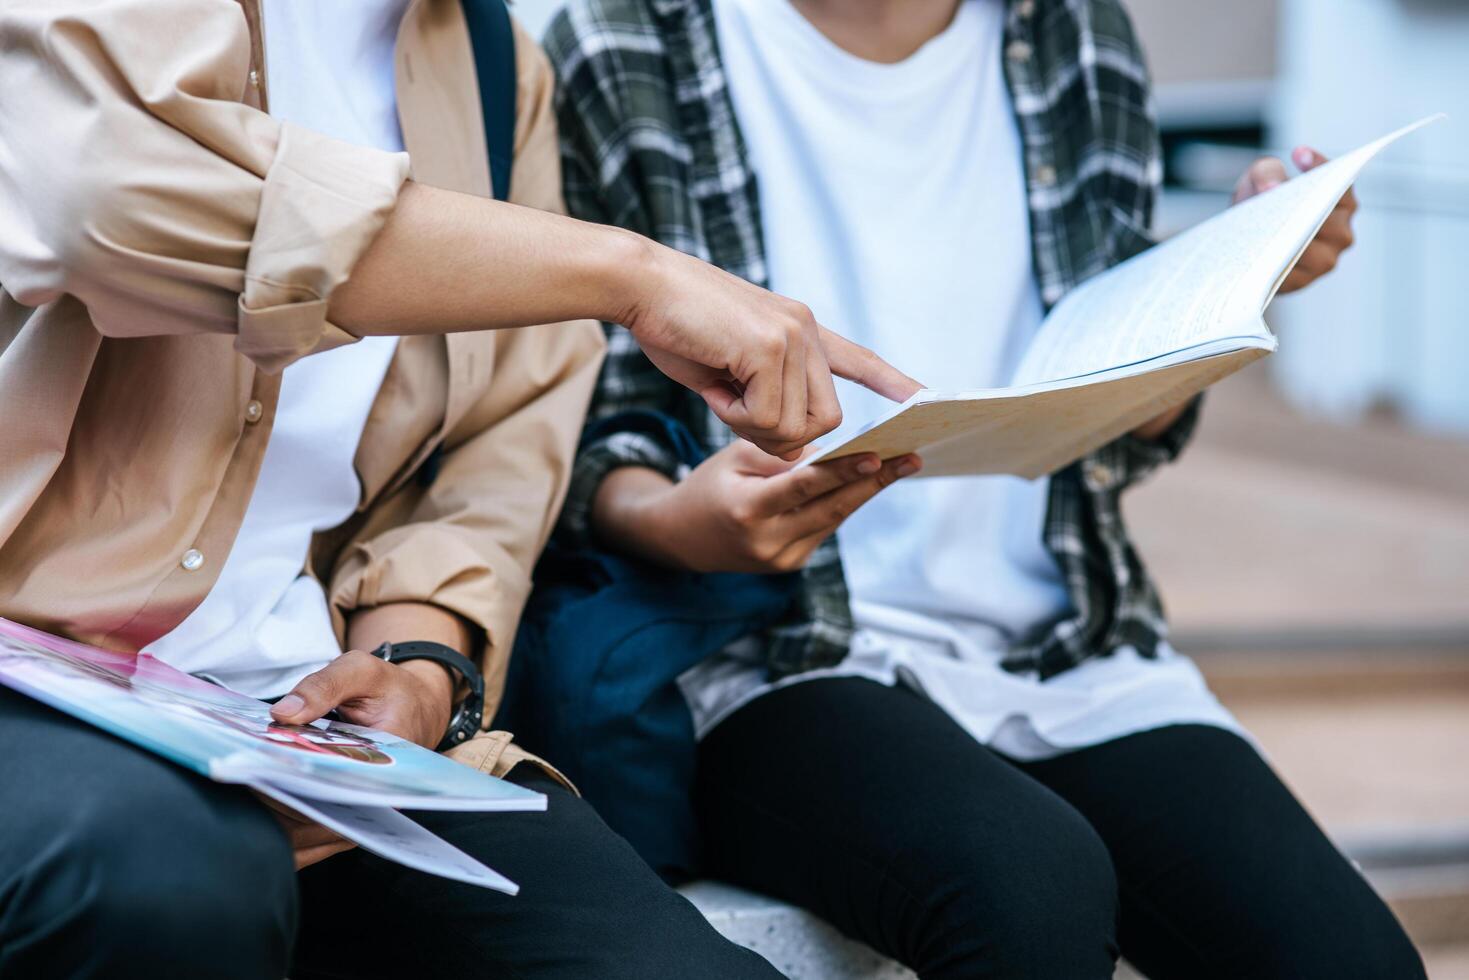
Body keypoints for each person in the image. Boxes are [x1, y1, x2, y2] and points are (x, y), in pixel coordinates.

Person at [0, 0, 920, 976]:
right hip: (31, 673)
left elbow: (497, 442)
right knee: (174, 876)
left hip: (286, 713)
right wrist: (628, 271)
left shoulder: (490, 65)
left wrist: (418, 661)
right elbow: (107, 195)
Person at [542, 0, 1426, 977]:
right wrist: (682, 524)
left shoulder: (1073, 32)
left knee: (1342, 955)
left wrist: (1228, 286)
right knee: (1024, 884)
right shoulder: (626, 40)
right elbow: (570, 435)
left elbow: (1115, 431)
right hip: (772, 652)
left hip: (1063, 647)